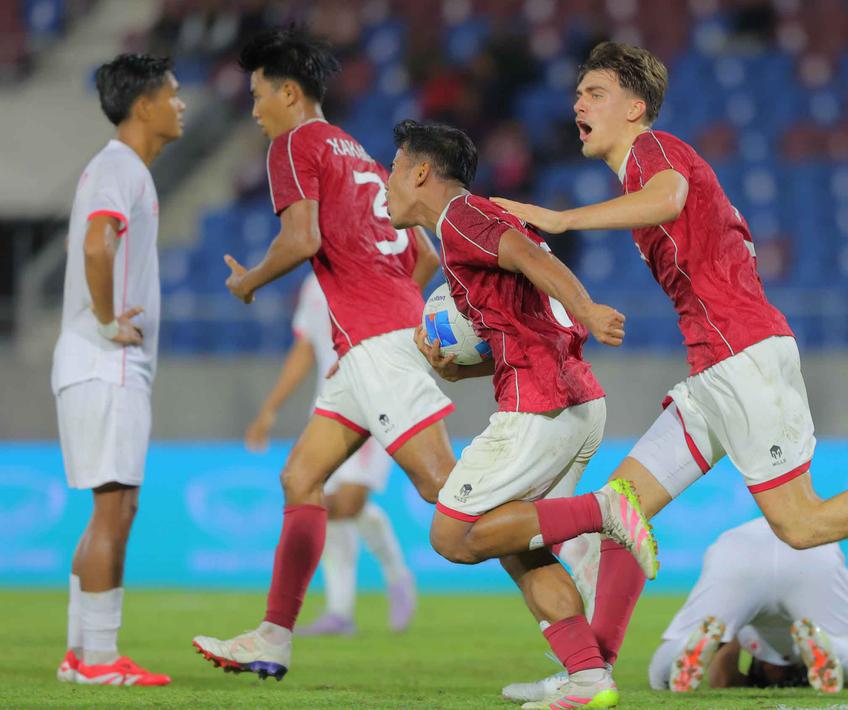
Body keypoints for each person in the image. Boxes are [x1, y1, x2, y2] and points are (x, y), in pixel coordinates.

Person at [488, 41, 848, 686]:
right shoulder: (654, 165)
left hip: (742, 358)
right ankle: (592, 674)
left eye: (594, 93)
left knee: (802, 524)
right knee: (620, 510)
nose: (578, 104)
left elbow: (670, 198)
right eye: (579, 94)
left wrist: (560, 219)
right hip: (718, 366)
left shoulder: (656, 151)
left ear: (635, 107)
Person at [191, 28, 456, 680]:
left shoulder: (293, 144)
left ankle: (580, 529)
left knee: (446, 493)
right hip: (373, 342)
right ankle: (273, 640)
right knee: (301, 479)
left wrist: (249, 280)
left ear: (288, 93)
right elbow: (422, 253)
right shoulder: (360, 154)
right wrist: (390, 314)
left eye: (258, 96)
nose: (253, 110)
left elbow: (301, 237)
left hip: (377, 344)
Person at [385, 119, 647, 709]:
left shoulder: (461, 218)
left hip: (540, 403)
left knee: (452, 535)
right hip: (572, 398)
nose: (386, 186)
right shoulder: (466, 228)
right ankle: (587, 677)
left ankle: (604, 509)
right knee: (516, 544)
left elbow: (531, 257)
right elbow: (532, 323)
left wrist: (589, 305)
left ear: (422, 171)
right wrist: (459, 370)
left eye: (394, 171)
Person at [52, 53, 184, 687]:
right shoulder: (120, 168)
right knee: (116, 510)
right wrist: (107, 320)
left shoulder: (116, 167)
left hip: (90, 363)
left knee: (112, 508)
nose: (181, 105)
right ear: (144, 105)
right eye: (173, 94)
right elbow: (98, 241)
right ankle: (101, 661)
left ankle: (81, 655)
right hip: (108, 363)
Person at [245, 272, 428, 636]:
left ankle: (396, 575)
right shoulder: (313, 285)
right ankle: (340, 611)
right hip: (330, 405)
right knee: (329, 505)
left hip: (377, 397)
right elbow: (305, 349)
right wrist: (270, 408)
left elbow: (424, 262)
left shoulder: (370, 264)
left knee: (346, 502)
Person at [649, 518, 848, 695]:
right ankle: (838, 651)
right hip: (808, 548)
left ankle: (682, 649)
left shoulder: (748, 637)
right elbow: (723, 677)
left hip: (739, 552)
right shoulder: (804, 640)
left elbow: (722, 678)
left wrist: (715, 652)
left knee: (660, 676)